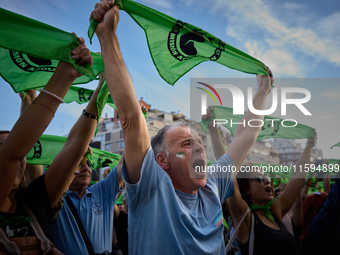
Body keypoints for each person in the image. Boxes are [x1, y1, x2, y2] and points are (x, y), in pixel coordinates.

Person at [90, 1, 273, 254]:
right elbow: (131, 115)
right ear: (162, 160)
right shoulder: (152, 186)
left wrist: (263, 90)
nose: (200, 150)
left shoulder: (213, 184)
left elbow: (246, 134)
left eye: (199, 143)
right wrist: (107, 35)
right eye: (187, 144)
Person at [0, 36, 94, 253]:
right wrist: (64, 75)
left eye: (23, 156)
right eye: (1, 147)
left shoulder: (32, 203)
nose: (16, 159)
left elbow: (75, 145)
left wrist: (103, 89)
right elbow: (12, 154)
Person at [49, 74, 124, 255]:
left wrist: (135, 123)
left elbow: (127, 161)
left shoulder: (102, 192)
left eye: (89, 163)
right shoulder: (54, 198)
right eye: (80, 162)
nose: (86, 167)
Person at [227, 133, 316, 255]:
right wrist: (213, 129)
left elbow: (297, 178)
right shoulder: (244, 218)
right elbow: (226, 170)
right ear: (245, 188)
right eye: (259, 178)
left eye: (267, 177)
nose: (268, 181)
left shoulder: (275, 210)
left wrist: (310, 144)